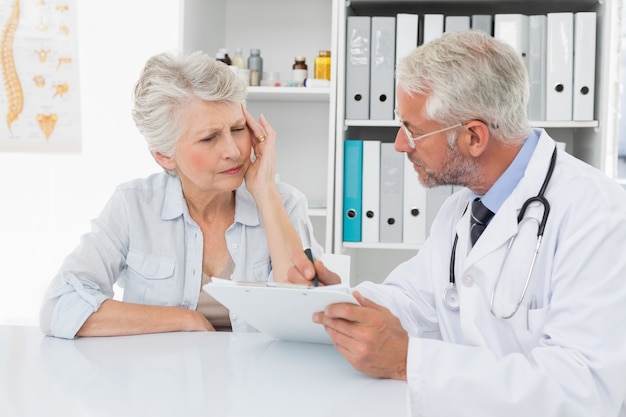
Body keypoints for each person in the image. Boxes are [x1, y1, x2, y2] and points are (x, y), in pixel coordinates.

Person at [293, 31, 626, 416]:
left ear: (473, 137)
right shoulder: (463, 208)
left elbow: (586, 390)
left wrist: (408, 361)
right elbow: (413, 300)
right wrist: (339, 303)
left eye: (412, 131)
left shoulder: (599, 216)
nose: (400, 145)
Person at [40, 50, 335, 339]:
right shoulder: (134, 205)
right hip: (163, 381)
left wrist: (265, 192)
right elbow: (60, 307)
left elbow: (305, 313)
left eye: (237, 128)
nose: (233, 151)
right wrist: (183, 320)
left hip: (261, 380)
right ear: (165, 156)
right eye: (209, 138)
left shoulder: (283, 202)